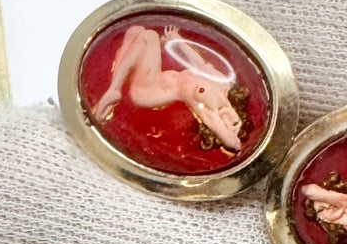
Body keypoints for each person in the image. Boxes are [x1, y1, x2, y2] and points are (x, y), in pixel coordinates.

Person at [91, 24, 247, 152]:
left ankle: (113, 91)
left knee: (149, 37)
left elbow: (224, 134)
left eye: (228, 127)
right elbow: (199, 63)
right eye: (235, 123)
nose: (228, 122)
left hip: (149, 92)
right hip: (156, 77)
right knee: (135, 31)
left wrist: (232, 139)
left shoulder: (210, 109)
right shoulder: (222, 82)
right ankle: (111, 93)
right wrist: (177, 40)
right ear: (238, 112)